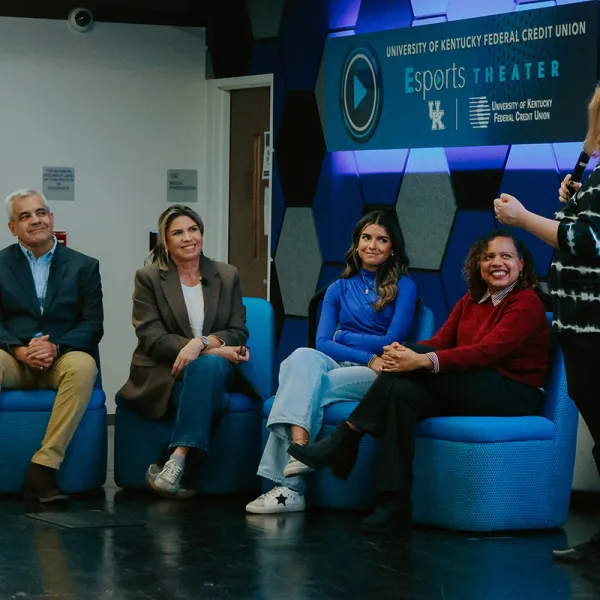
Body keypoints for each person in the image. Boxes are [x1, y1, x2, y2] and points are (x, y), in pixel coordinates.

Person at [288, 230, 551, 532]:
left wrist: (421, 359)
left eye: (506, 256)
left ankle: (345, 440)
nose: (496, 263)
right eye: (488, 256)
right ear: (478, 264)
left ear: (521, 264)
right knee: (402, 392)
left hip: (513, 391)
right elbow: (440, 340)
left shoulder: (526, 302)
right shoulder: (472, 300)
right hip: (474, 384)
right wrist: (404, 353)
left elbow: (486, 352)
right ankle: (392, 504)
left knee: (411, 364)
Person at [246, 210, 418, 514]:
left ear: (393, 247)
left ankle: (290, 486)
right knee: (301, 357)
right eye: (366, 237)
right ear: (356, 242)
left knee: (300, 386)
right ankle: (301, 452)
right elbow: (322, 343)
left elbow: (392, 340)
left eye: (382, 239)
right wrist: (361, 349)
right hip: (353, 362)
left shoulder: (404, 286)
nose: (372, 245)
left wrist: (345, 337)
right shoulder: (338, 288)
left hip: (377, 373)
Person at [494, 85, 600, 565]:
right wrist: (574, 200)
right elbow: (575, 233)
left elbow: (584, 240)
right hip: (579, 327)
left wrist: (522, 218)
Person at [119, 204, 250, 499]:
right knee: (209, 374)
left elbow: (238, 331)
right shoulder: (149, 278)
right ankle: (184, 469)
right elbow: (152, 338)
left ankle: (174, 461)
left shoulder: (227, 275)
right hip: (167, 373)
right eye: (178, 232)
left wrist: (200, 344)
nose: (188, 237)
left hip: (213, 372)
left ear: (202, 234)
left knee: (208, 370)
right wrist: (217, 352)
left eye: (193, 230)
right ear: (165, 241)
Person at [0, 189, 103, 504]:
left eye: (41, 213)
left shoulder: (84, 266)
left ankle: (43, 469)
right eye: (25, 216)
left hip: (61, 360)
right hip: (13, 359)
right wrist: (18, 349)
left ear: (52, 218)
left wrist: (56, 348)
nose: (35, 220)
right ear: (12, 227)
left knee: (85, 365)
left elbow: (92, 324)